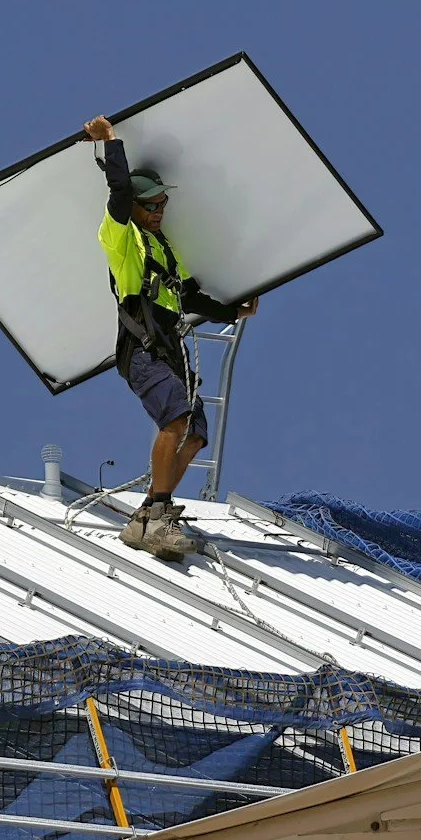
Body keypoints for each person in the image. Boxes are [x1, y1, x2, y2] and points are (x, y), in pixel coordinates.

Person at [84, 114, 257, 558]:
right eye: (151, 206)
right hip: (141, 349)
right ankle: (158, 517)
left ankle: (148, 517)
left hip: (169, 348)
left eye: (163, 204)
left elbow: (190, 296)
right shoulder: (121, 239)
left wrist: (232, 311)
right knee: (175, 420)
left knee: (195, 433)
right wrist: (111, 142)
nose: (159, 212)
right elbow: (120, 192)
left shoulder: (164, 249)